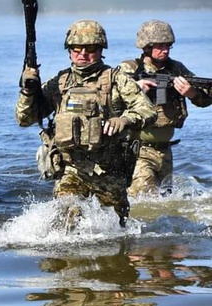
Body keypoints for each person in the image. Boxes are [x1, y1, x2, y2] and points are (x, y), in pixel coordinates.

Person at [16, 19, 157, 227]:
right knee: (66, 216)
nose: (83, 53)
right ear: (69, 50)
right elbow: (24, 119)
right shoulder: (60, 83)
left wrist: (125, 119)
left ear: (101, 49)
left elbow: (148, 110)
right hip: (71, 169)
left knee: (116, 230)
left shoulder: (117, 79)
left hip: (109, 171)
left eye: (90, 48)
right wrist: (28, 91)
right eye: (76, 48)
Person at [119, 20, 212, 197]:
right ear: (146, 46)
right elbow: (109, 100)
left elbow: (205, 99)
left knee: (165, 201)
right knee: (146, 199)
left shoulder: (176, 68)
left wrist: (191, 93)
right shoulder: (129, 68)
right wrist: (134, 89)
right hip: (138, 150)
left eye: (168, 45)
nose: (165, 50)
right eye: (160, 46)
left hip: (165, 152)